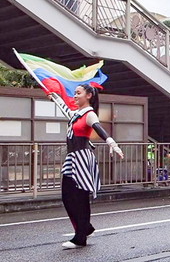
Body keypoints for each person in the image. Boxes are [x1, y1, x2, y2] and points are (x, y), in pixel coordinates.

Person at [49, 84, 124, 249]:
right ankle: (85, 228)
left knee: (80, 198)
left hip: (82, 158)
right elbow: (65, 109)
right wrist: (55, 97)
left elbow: (99, 128)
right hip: (72, 158)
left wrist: (112, 143)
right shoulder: (76, 114)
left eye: (78, 93)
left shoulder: (89, 114)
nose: (75, 96)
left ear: (89, 95)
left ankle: (80, 236)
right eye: (74, 93)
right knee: (67, 197)